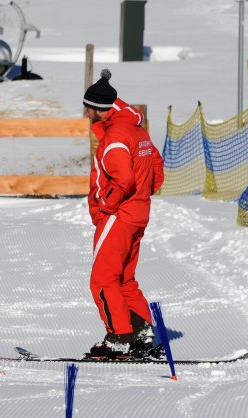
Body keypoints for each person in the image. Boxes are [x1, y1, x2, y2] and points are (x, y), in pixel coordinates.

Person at [83, 69, 165, 358]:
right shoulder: (136, 130)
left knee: (103, 280)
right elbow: (156, 164)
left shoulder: (115, 137)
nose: (85, 112)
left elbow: (124, 180)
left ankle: (119, 337)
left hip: (119, 215)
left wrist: (106, 204)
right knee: (124, 278)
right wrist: (145, 193)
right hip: (138, 212)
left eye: (87, 107)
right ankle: (142, 331)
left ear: (97, 109)